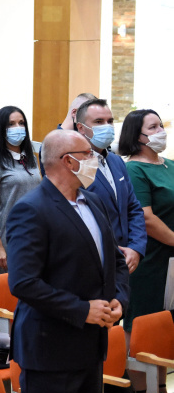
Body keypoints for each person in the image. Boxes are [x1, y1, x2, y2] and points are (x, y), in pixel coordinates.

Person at [6, 130, 128, 393]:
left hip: (90, 346)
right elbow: (24, 282)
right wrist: (81, 309)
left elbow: (116, 261)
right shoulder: (31, 209)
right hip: (50, 348)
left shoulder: (93, 201)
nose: (95, 159)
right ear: (68, 161)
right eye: (88, 153)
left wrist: (119, 299)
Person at [74, 99, 146, 274]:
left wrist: (136, 248)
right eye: (99, 121)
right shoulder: (75, 164)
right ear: (81, 128)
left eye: (110, 121)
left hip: (125, 259)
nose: (107, 126)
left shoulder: (116, 161)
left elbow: (133, 207)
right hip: (93, 262)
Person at [119, 109, 174, 338]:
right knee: (144, 327)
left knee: (167, 329)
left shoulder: (169, 164)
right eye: (153, 127)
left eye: (160, 125)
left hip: (171, 259)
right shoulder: (134, 169)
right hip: (151, 258)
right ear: (136, 135)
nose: (161, 131)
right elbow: (146, 218)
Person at [0, 106, 42, 274]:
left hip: (35, 234)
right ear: (1, 129)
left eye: (21, 123)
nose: (18, 128)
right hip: (9, 238)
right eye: (11, 124)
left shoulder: (30, 159)